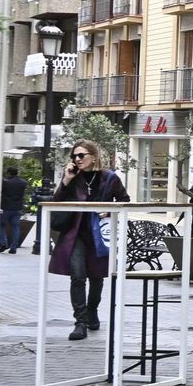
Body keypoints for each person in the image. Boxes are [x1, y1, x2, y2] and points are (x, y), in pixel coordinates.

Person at [48, 140, 130, 341]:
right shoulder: (73, 177)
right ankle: (80, 322)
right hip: (75, 234)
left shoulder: (109, 178)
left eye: (81, 155)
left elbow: (124, 200)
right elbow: (57, 201)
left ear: (94, 156)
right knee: (77, 276)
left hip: (99, 234)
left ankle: (92, 310)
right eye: (74, 156)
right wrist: (66, 180)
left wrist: (109, 212)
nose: (77, 159)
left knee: (96, 277)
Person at [0, 166, 28, 254]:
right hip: (17, 208)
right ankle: (14, 247)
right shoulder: (23, 183)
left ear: (8, 173)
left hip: (6, 208)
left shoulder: (5, 182)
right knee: (16, 227)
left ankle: (3, 243)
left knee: (1, 226)